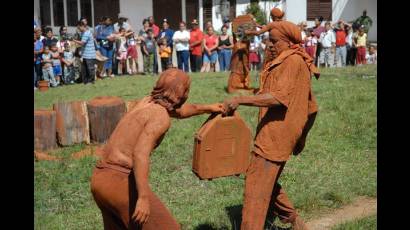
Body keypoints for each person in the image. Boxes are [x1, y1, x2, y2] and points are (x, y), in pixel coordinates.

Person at [90, 68, 224, 230]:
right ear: (183, 92)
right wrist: (143, 198)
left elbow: (179, 111)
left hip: (99, 180)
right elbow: (140, 153)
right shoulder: (161, 116)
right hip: (119, 182)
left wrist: (209, 107)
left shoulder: (146, 102)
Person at [224, 13, 319, 230]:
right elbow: (313, 108)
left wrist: (241, 99)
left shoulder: (293, 61)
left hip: (275, 136)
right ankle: (295, 221)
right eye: (269, 40)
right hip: (282, 135)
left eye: (274, 41)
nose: (270, 45)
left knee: (256, 188)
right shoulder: (292, 60)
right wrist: (302, 136)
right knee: (266, 179)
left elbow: (279, 97)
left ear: (289, 42)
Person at [73, 20, 97, 84]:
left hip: (90, 54)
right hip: (86, 54)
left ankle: (91, 81)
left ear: (82, 26)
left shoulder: (87, 33)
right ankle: (86, 81)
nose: (78, 29)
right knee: (84, 69)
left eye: (79, 28)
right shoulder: (83, 33)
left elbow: (82, 43)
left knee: (90, 69)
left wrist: (73, 40)